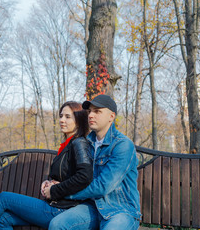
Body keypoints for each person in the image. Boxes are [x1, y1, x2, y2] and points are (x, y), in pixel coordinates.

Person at [0, 101, 93, 230]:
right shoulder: (67, 145)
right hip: (54, 205)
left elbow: (84, 176)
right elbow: (67, 174)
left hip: (61, 210)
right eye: (61, 116)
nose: (62, 120)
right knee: (4, 219)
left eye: (68, 117)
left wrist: (55, 189)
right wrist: (49, 182)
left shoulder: (79, 143)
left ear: (79, 120)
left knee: (4, 198)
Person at [49, 95, 141, 230]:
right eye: (90, 111)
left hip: (120, 210)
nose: (91, 115)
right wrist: (53, 184)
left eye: (97, 111)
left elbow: (103, 186)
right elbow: (78, 176)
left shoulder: (122, 145)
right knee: (57, 225)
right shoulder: (86, 143)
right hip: (92, 207)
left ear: (111, 116)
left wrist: (62, 192)